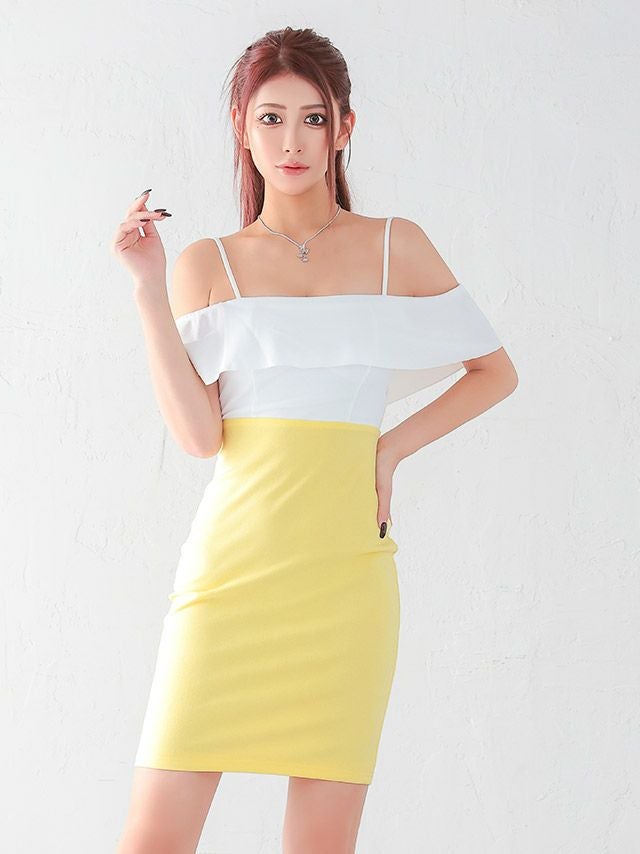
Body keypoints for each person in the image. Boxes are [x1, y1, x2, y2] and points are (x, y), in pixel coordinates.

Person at [110, 25, 518, 854]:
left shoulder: (395, 246)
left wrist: (388, 449)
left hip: (345, 584)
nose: (292, 141)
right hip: (230, 579)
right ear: (241, 126)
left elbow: (494, 372)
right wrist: (148, 290)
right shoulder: (206, 263)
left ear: (344, 127)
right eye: (271, 119)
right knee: (152, 841)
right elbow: (198, 438)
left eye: (313, 118)